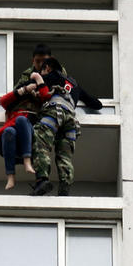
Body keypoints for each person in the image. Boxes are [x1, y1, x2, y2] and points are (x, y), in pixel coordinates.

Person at [30, 57, 102, 197]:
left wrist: (34, 79)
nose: (43, 73)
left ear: (48, 68)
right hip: (71, 121)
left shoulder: (51, 76)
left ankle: (42, 180)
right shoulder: (76, 86)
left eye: (43, 70)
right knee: (64, 156)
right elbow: (96, 104)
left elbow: (30, 85)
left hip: (54, 113)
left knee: (41, 143)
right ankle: (64, 188)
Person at [0, 74, 51, 190]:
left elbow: (46, 95)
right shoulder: (16, 100)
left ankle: (27, 160)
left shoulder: (39, 101)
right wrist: (24, 90)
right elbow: (3, 101)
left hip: (28, 136)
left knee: (21, 119)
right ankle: (10, 176)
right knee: (8, 131)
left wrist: (37, 78)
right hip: (11, 140)